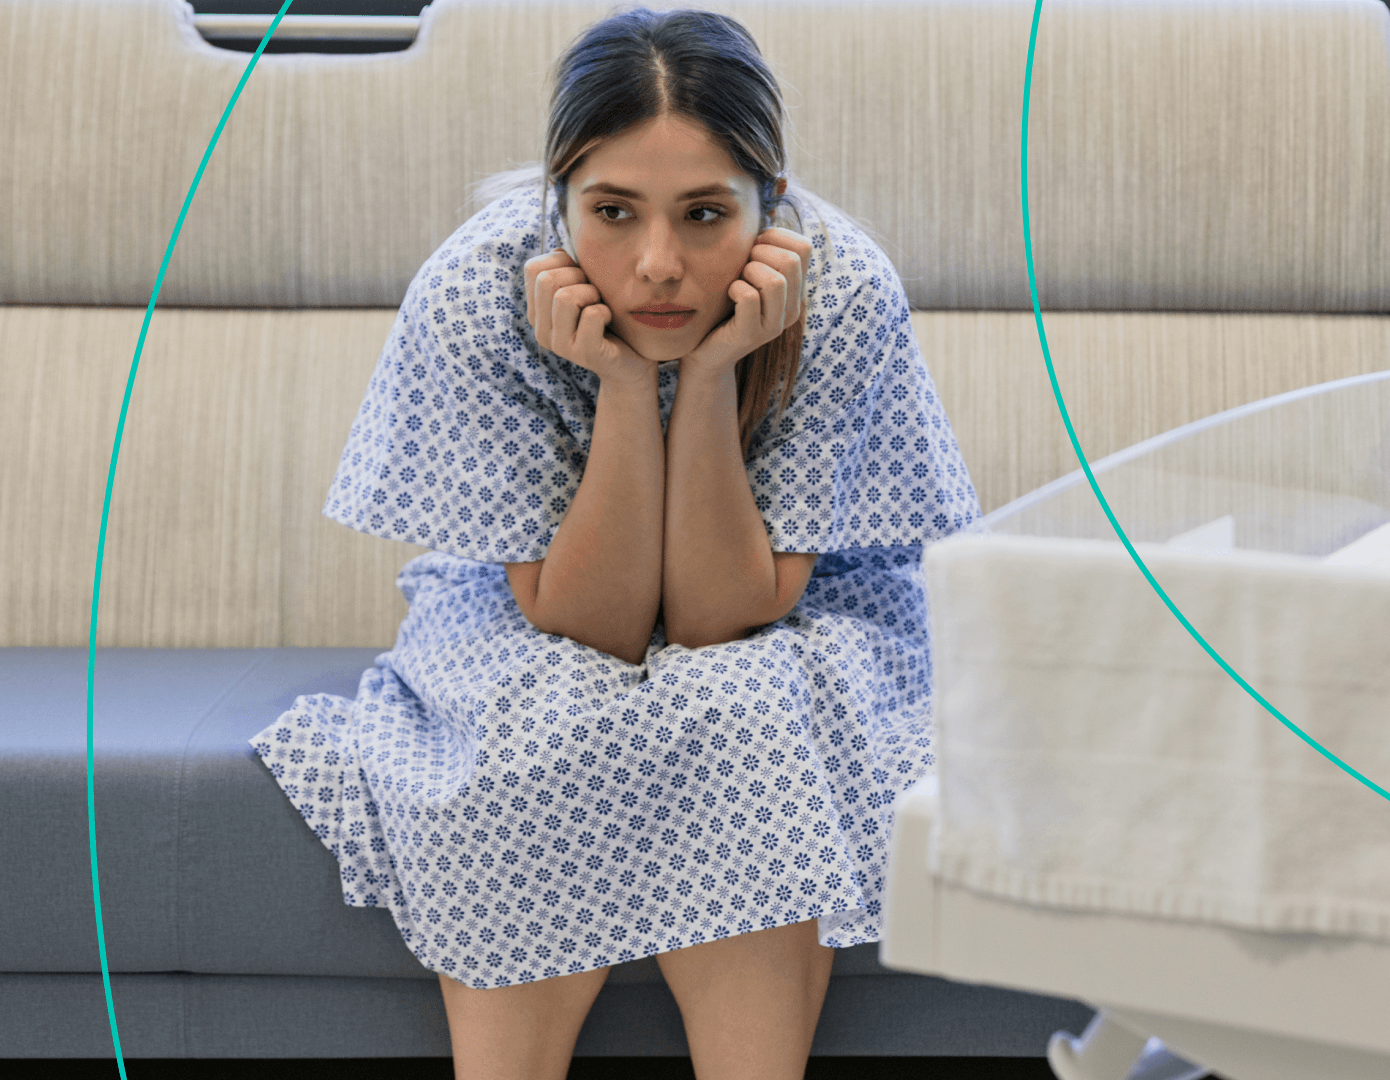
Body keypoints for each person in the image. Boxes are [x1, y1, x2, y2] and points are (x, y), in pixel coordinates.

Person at [247, 7, 979, 1079]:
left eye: (704, 214)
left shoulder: (844, 289)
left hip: (802, 603)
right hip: (536, 603)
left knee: (746, 709)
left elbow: (719, 618)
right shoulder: (476, 289)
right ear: (559, 200)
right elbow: (588, 624)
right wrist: (627, 388)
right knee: (535, 724)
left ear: (772, 200)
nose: (658, 265)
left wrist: (716, 374)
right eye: (612, 212)